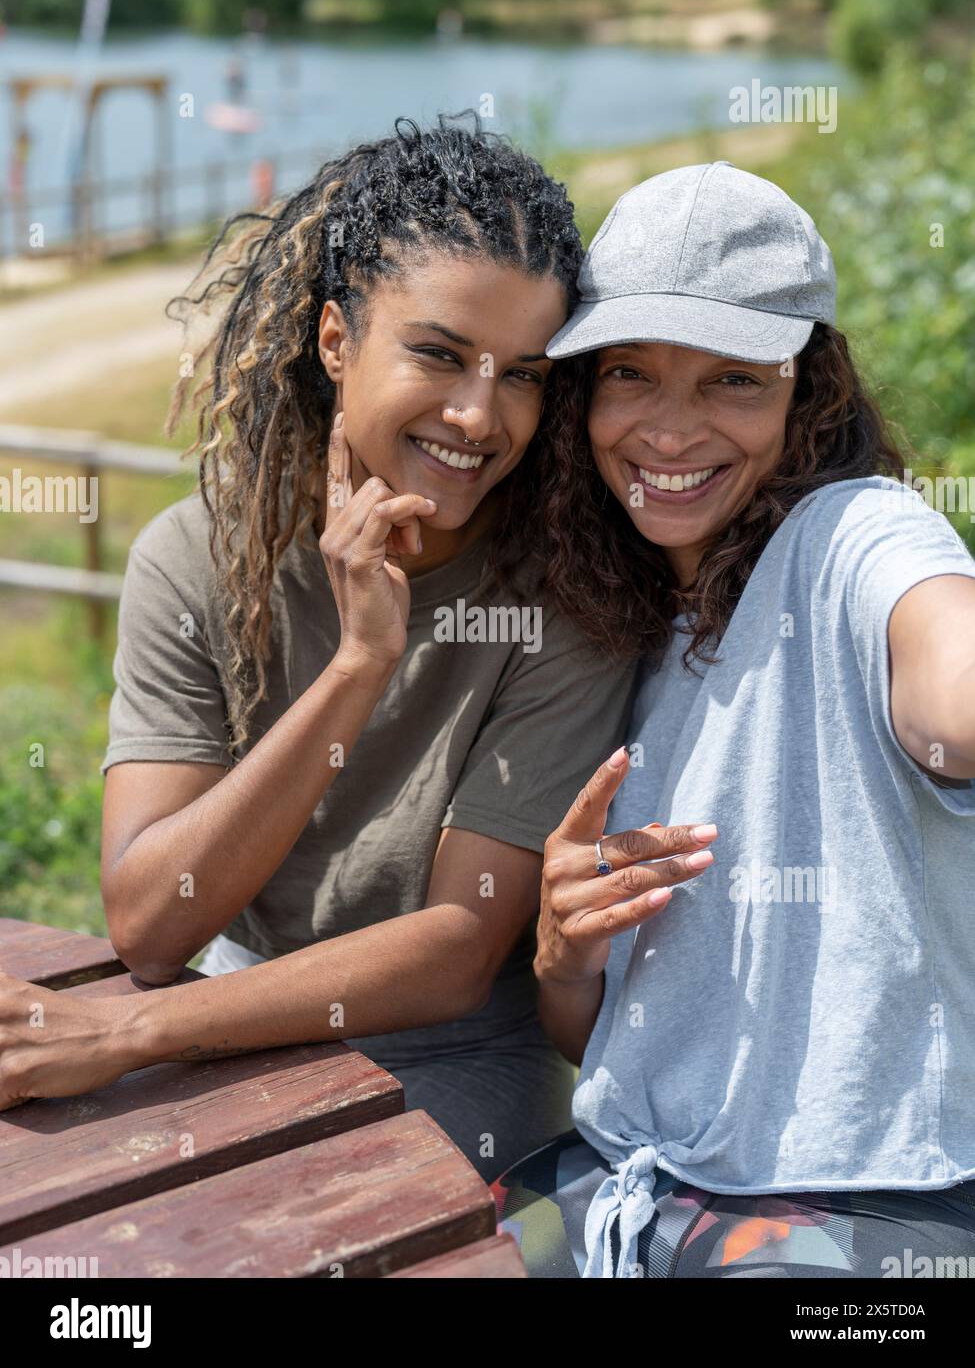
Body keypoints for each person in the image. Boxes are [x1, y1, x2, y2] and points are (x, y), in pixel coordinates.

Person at [0, 117, 642, 1185]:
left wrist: (126, 1034)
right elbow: (153, 924)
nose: (478, 415)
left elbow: (456, 951)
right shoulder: (198, 559)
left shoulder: (566, 596)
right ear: (336, 340)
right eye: (437, 354)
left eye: (522, 374)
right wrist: (355, 668)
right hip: (222, 1016)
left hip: (455, 1057)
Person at [494, 161, 975, 1277]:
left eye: (732, 382)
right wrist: (565, 955)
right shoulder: (624, 622)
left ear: (810, 397)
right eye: (630, 374)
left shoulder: (855, 535)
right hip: (634, 1182)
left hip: (873, 1208)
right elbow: (592, 1036)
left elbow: (951, 689)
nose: (670, 432)